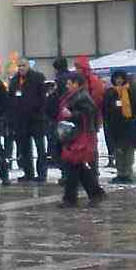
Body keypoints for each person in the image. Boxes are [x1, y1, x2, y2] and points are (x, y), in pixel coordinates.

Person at [56, 58, 105, 207]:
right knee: (77, 166)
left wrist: (71, 114)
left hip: (81, 136)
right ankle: (95, 193)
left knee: (73, 165)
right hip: (74, 135)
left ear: (77, 84)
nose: (67, 86)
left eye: (69, 83)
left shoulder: (82, 97)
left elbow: (89, 113)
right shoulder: (73, 96)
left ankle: (70, 199)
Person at [5, 63, 46, 182]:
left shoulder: (37, 78)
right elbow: (11, 98)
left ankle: (42, 173)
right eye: (19, 66)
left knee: (40, 147)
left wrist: (39, 111)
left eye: (23, 65)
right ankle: (28, 173)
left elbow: (43, 98)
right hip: (21, 120)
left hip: (36, 119)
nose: (21, 68)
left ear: (28, 66)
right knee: (24, 148)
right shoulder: (15, 80)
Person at [100, 72, 136, 184]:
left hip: (129, 125)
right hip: (115, 126)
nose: (119, 80)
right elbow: (105, 108)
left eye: (121, 78)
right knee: (118, 150)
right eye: (117, 78)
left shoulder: (131, 91)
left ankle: (127, 173)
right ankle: (120, 173)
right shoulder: (110, 92)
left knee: (128, 149)